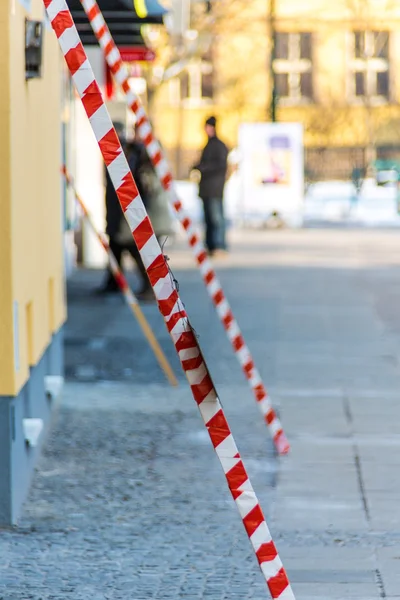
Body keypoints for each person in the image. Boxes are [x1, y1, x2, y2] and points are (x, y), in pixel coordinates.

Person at [97, 122, 154, 301]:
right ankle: (114, 281)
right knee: (116, 247)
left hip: (126, 210)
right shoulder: (122, 151)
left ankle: (149, 285)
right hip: (118, 209)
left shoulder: (133, 152)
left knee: (132, 248)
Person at [193, 116, 228, 256]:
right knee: (208, 218)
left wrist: (202, 168)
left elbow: (219, 166)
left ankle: (219, 245)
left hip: (214, 188)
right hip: (207, 188)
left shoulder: (218, 145)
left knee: (216, 218)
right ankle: (210, 245)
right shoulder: (208, 145)